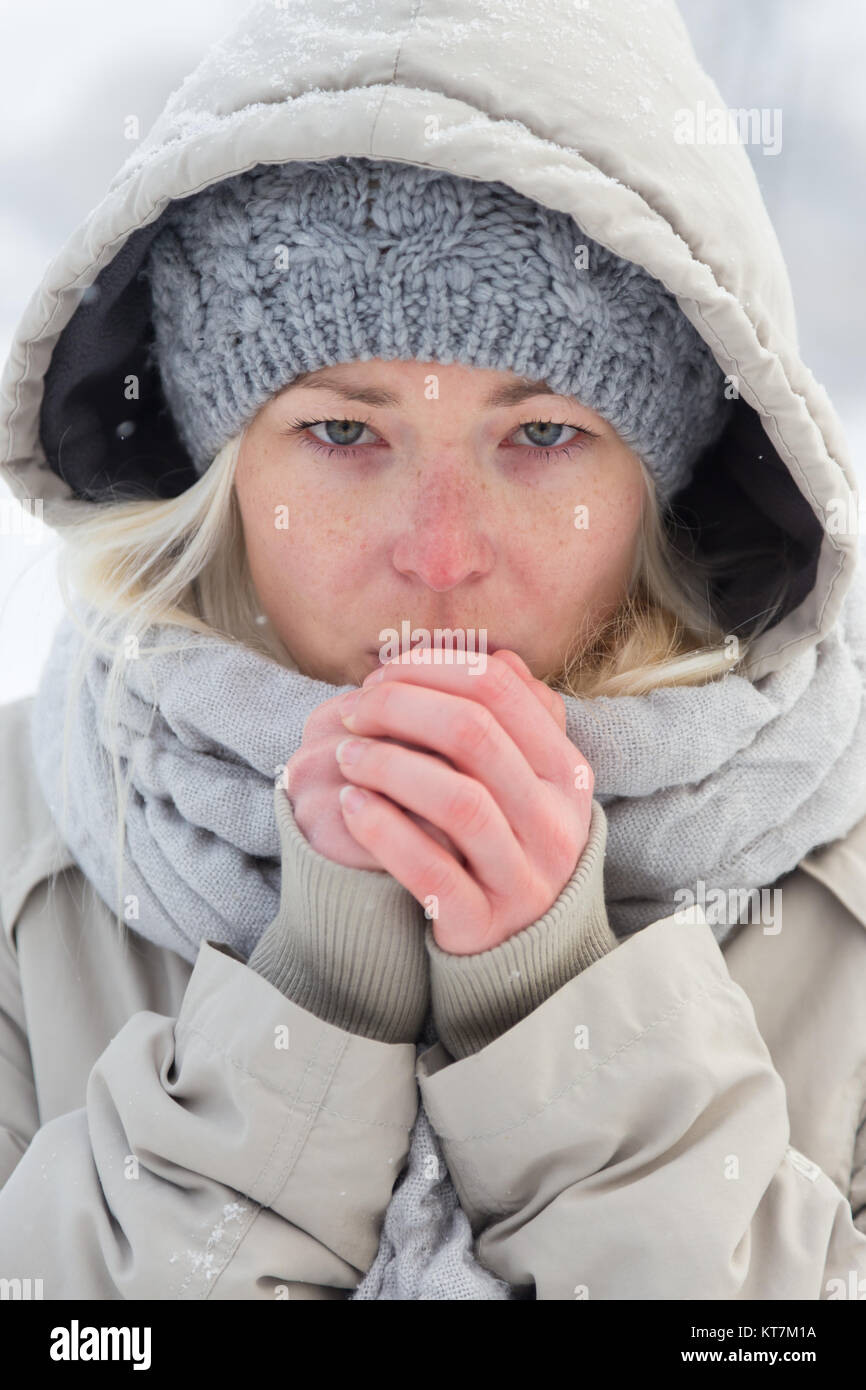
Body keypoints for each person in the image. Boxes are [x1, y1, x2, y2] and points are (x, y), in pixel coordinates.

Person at [1, 0, 865, 1302]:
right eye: (345, 434)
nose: (441, 553)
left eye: (543, 436)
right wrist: (307, 1023)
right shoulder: (26, 844)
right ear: (221, 468)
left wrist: (560, 1023)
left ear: (666, 481)